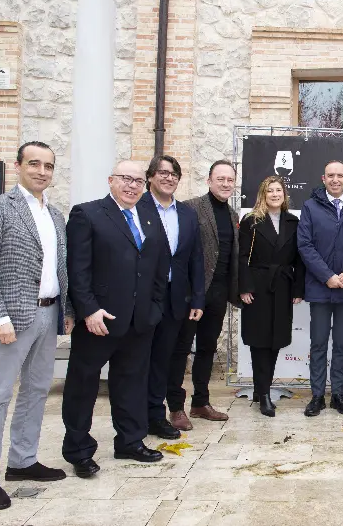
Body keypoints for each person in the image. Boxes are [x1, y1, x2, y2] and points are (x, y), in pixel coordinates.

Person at [0, 142, 73, 510]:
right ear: (17, 166)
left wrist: (68, 311)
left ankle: (23, 461)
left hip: (48, 314)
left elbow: (61, 268)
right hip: (10, 319)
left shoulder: (56, 215)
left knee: (37, 390)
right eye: (34, 163)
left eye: (48, 165)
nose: (42, 171)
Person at [62, 160, 170, 478]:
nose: (132, 185)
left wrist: (154, 308)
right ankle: (79, 450)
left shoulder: (149, 217)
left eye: (138, 181)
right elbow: (77, 270)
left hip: (140, 321)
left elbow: (159, 267)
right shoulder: (88, 214)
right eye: (125, 179)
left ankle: (130, 442)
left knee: (132, 383)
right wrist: (88, 310)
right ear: (111, 180)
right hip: (100, 320)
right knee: (84, 385)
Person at [167, 160, 240, 430]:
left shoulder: (233, 215)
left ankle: (200, 402)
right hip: (190, 293)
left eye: (229, 180)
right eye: (220, 178)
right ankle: (175, 407)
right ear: (209, 180)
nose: (225, 183)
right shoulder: (190, 208)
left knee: (207, 348)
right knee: (181, 349)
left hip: (218, 293)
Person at [297, 160, 343, 417]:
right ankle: (317, 395)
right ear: (323, 178)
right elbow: (304, 245)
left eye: (340, 175)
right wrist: (327, 276)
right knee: (318, 343)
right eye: (331, 176)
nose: (335, 179)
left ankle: (338, 394)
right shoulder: (310, 206)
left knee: (341, 344)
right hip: (319, 287)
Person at [140, 155, 205, 440]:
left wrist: (197, 300)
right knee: (139, 359)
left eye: (174, 174)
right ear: (151, 177)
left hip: (176, 298)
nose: (169, 178)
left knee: (164, 359)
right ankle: (136, 416)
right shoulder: (136, 208)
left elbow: (195, 260)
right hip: (142, 297)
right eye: (163, 173)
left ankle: (156, 415)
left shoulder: (187, 214)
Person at [238, 176, 306, 417]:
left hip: (283, 286)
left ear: (284, 194)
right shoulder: (251, 221)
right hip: (257, 286)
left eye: (279, 190)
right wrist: (244, 287)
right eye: (270, 191)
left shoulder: (293, 221)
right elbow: (242, 256)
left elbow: (299, 259)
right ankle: (263, 394)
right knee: (259, 341)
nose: (275, 194)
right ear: (262, 195)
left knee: (276, 340)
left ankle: (261, 387)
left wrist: (298, 289)